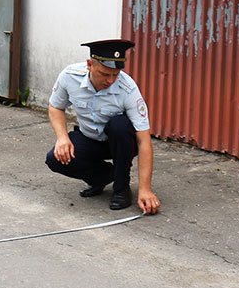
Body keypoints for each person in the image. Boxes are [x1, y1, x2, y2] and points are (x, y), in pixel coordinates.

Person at [44, 39, 161, 215]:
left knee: (119, 125)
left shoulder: (128, 89)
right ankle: (103, 177)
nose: (111, 80)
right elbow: (56, 107)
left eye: (116, 74)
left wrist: (145, 189)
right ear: (90, 65)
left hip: (120, 143)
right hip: (89, 138)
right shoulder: (70, 76)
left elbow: (144, 141)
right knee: (55, 158)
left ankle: (122, 188)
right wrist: (62, 137)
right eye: (105, 74)